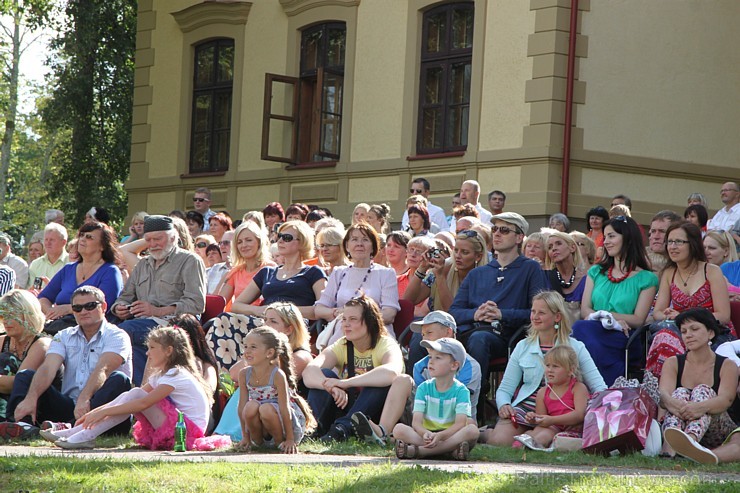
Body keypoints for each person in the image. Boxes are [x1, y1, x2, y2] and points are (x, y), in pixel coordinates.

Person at [46, 326, 214, 450]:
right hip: (177, 427)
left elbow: (142, 404)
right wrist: (95, 412)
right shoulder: (163, 375)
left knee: (136, 395)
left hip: (186, 433)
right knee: (134, 392)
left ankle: (86, 435)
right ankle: (78, 431)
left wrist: (102, 412)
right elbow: (132, 396)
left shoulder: (176, 374)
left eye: (152, 348)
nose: (147, 353)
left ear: (169, 351)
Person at [1, 286, 132, 439]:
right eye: (77, 308)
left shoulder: (117, 335)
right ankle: (21, 425)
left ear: (103, 307)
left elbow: (104, 369)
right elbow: (48, 368)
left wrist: (85, 398)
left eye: (90, 306)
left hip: (104, 411)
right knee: (26, 376)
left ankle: (68, 427)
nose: (83, 311)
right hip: (70, 406)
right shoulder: (64, 335)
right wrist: (31, 398)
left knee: (119, 379)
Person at [481, 291, 606, 446]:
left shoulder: (576, 347)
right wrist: (504, 405)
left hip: (560, 414)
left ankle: (528, 436)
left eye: (541, 313)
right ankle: (485, 433)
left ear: (557, 317)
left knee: (540, 440)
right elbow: (505, 389)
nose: (535, 316)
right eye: (533, 311)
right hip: (526, 410)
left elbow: (599, 387)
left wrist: (585, 415)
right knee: (498, 441)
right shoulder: (523, 346)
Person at [206, 220, 326, 369]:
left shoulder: (313, 272)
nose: (281, 241)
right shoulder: (268, 273)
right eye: (279, 236)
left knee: (225, 322)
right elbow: (237, 305)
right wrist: (262, 311)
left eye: (287, 238)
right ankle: (223, 377)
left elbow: (320, 309)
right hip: (263, 322)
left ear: (302, 242)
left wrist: (283, 311)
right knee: (222, 319)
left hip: (291, 325)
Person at [352, 311, 481, 446]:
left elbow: (459, 408)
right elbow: (422, 404)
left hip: (456, 423)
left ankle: (413, 445)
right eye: (423, 335)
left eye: (429, 333)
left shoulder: (471, 366)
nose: (423, 339)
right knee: (403, 380)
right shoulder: (421, 365)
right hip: (426, 423)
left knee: (470, 426)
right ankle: (382, 432)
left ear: (448, 332)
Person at [449, 212, 546, 393]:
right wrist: (475, 313)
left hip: (506, 336)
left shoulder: (530, 268)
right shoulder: (478, 273)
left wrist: (502, 314)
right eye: (494, 229)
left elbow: (539, 312)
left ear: (519, 237)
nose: (497, 234)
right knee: (422, 336)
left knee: (480, 339)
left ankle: (472, 406)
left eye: (504, 230)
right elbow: (454, 311)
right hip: (470, 331)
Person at [110, 215, 206, 386]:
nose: (153, 244)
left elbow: (196, 304)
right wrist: (120, 308)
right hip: (142, 323)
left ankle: (141, 392)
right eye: (148, 240)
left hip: (174, 324)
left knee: (122, 333)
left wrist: (157, 311)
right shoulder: (142, 265)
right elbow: (125, 297)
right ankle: (141, 390)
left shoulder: (190, 261)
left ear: (173, 237)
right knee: (121, 339)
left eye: (158, 239)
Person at [572, 216, 658, 385]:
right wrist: (606, 317)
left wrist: (613, 321)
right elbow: (585, 310)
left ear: (628, 238)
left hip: (623, 334)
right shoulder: (596, 272)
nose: (606, 242)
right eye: (605, 237)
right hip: (593, 328)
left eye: (611, 236)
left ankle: (600, 389)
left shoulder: (647, 278)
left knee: (583, 333)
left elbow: (638, 319)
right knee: (581, 328)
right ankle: (607, 388)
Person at [304, 295, 404, 442]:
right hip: (345, 405)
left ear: (370, 322)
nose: (346, 325)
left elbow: (391, 372)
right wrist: (331, 387)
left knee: (378, 381)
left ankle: (343, 429)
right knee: (324, 374)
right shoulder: (342, 344)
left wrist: (345, 383)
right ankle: (313, 430)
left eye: (353, 319)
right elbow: (309, 371)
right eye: (344, 319)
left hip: (372, 413)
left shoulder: (386, 344)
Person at [646, 222, 733, 377]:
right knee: (664, 336)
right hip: (680, 332)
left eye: (678, 242)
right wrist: (668, 315)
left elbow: (723, 315)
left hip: (712, 334)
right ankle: (664, 390)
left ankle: (676, 385)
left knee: (667, 338)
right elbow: (658, 313)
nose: (672, 247)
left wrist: (684, 316)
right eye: (670, 242)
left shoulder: (711, 271)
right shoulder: (669, 273)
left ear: (692, 244)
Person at [660, 308, 739, 464]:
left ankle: (688, 442)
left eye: (694, 329)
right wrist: (679, 406)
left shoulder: (727, 365)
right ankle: (670, 448)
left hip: (716, 428)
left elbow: (726, 400)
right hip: (680, 418)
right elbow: (664, 395)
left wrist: (698, 408)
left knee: (702, 390)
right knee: (680, 392)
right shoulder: (673, 362)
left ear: (710, 333)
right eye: (683, 331)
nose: (688, 335)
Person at [315, 224, 399, 350]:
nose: (359, 244)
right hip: (342, 331)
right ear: (347, 246)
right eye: (354, 239)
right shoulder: (339, 272)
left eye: (365, 240)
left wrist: (358, 320)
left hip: (375, 334)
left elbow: (389, 314)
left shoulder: (386, 273)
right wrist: (337, 313)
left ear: (373, 247)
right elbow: (319, 309)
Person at [393, 338, 479, 460]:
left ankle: (420, 451)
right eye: (430, 357)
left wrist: (441, 436)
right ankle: (449, 451)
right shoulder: (424, 388)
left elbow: (460, 424)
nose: (431, 362)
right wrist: (424, 433)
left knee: (472, 430)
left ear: (454, 365)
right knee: (398, 429)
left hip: (451, 435)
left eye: (438, 358)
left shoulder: (461, 391)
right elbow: (416, 422)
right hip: (427, 435)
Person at [236, 327, 315, 453]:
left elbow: (285, 408)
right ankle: (259, 443)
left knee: (265, 408)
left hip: (281, 422)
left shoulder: (277, 374)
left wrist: (290, 439)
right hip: (261, 425)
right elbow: (241, 407)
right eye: (246, 346)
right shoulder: (244, 374)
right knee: (250, 406)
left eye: (253, 347)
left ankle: (280, 442)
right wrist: (245, 437)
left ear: (269, 353)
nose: (247, 351)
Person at [39, 222, 124, 335]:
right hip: (59, 326)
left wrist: (70, 309)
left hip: (90, 330)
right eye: (81, 235)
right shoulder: (68, 269)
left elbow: (103, 306)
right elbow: (43, 297)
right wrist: (51, 312)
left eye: (89, 237)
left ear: (102, 246)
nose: (82, 239)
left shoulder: (110, 271)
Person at [512, 345, 588, 451]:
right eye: (547, 366)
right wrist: (534, 418)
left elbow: (579, 415)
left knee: (545, 435)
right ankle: (528, 441)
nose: (550, 370)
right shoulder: (543, 392)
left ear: (571, 370)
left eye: (555, 366)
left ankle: (531, 444)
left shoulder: (578, 388)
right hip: (553, 426)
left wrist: (552, 420)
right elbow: (542, 419)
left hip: (573, 428)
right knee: (537, 431)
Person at [405, 230, 488, 313]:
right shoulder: (444, 266)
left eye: (465, 252)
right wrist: (422, 268)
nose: (458, 256)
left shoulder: (486, 277)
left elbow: (453, 313)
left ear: (478, 256)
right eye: (456, 250)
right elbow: (408, 301)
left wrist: (441, 277)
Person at [0, 290, 50, 420]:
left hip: (37, 405)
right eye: (3, 315)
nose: (6, 321)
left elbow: (19, 383)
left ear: (29, 316)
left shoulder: (41, 345)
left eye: (12, 315)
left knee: (6, 359)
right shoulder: (2, 341)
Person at [217, 222, 275, 311]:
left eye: (248, 240)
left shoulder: (270, 269)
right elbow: (219, 303)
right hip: (238, 320)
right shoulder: (236, 271)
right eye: (239, 242)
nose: (244, 245)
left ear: (259, 242)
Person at [544, 231, 587, 320]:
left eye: (558, 244)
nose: (554, 249)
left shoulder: (587, 279)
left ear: (572, 248)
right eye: (550, 247)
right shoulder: (544, 277)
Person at [28, 223, 69, 290]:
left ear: (63, 242)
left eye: (52, 240)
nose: (47, 243)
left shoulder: (72, 263)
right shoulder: (36, 264)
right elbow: (34, 290)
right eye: (46, 239)